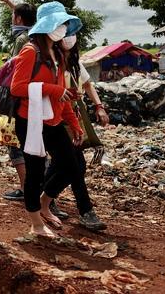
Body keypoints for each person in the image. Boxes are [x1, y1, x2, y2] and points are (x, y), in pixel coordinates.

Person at [10, 1, 105, 237]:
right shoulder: (30, 51)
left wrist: (74, 124)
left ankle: (44, 203)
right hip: (30, 122)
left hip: (53, 121)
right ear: (46, 26)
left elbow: (63, 96)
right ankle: (36, 223)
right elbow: (17, 87)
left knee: (72, 166)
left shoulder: (58, 56)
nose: (63, 28)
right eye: (59, 23)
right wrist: (51, 89)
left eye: (65, 24)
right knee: (34, 172)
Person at [43, 34, 108, 231]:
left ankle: (46, 199)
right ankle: (85, 210)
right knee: (75, 164)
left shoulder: (73, 63)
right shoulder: (50, 61)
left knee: (63, 163)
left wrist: (99, 106)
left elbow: (87, 85)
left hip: (71, 116)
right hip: (55, 118)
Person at [0, 0, 37, 202]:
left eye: (13, 15)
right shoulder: (38, 35)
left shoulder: (21, 39)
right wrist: (8, 2)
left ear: (18, 19)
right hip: (32, 98)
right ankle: (34, 187)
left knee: (13, 141)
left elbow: (17, 70)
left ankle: (26, 187)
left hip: (14, 99)